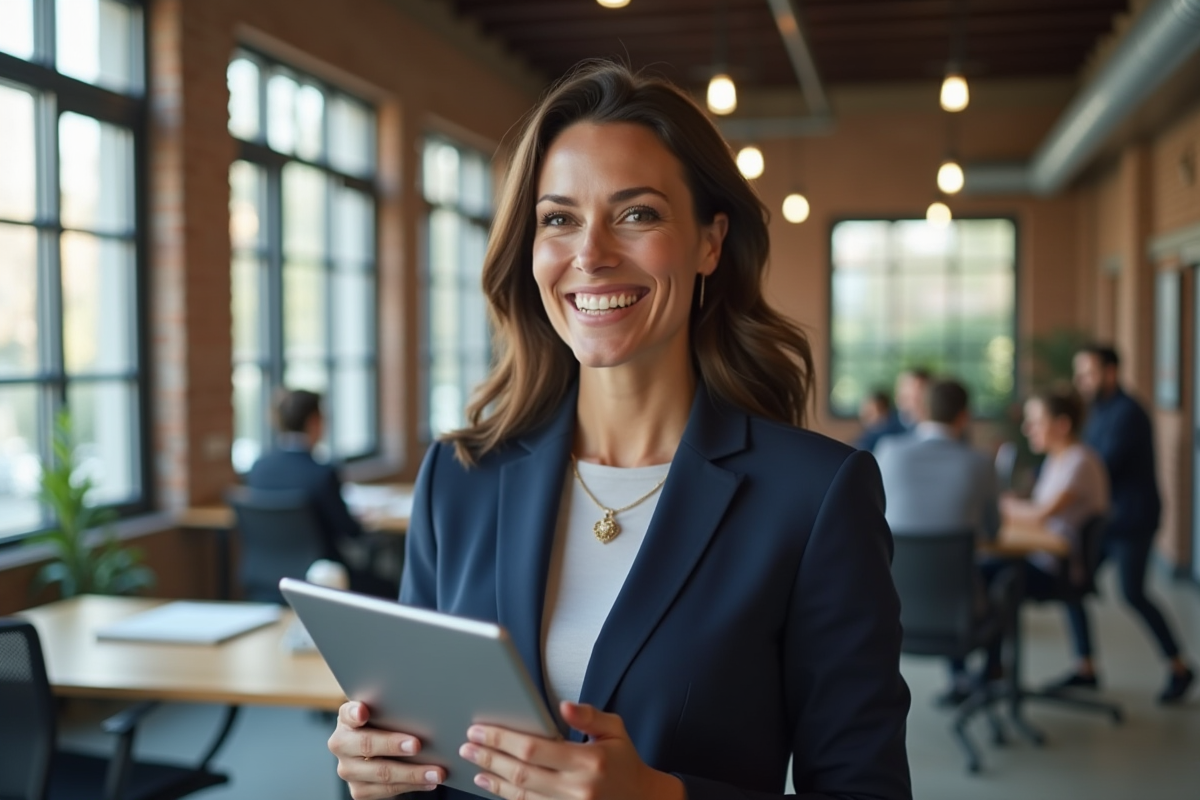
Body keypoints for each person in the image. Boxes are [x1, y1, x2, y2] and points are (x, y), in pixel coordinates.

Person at [327, 62, 911, 800]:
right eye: (559, 219)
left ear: (710, 242)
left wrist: (662, 798)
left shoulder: (815, 496)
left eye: (637, 215)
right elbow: (426, 751)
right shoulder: (461, 476)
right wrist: (378, 766)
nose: (591, 254)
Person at [1073, 344, 1194, 703]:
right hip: (1107, 520)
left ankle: (1179, 668)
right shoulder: (1099, 410)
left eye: (1088, 373)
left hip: (1132, 521)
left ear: (1110, 372)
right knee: (1072, 583)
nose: (1081, 381)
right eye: (1080, 374)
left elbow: (1100, 467)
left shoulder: (1128, 413)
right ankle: (1086, 667)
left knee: (1133, 593)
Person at [876, 379, 1000, 705]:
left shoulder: (887, 452)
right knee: (1001, 579)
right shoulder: (981, 462)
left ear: (921, 410)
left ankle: (960, 679)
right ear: (964, 416)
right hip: (958, 610)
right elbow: (993, 532)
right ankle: (989, 676)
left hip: (890, 604)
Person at [986, 388, 1109, 684]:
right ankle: (994, 667)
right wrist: (1015, 505)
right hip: (1052, 558)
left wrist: (1001, 506)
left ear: (1062, 425)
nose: (1028, 429)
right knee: (991, 569)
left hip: (1059, 568)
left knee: (986, 575)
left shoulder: (1079, 462)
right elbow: (1038, 509)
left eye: (1036, 421)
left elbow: (1043, 514)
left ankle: (991, 669)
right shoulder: (1059, 459)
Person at [246, 389, 394, 597]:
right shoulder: (322, 473)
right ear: (314, 422)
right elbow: (350, 531)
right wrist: (363, 520)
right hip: (324, 580)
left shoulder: (258, 469)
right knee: (391, 587)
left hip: (269, 577)